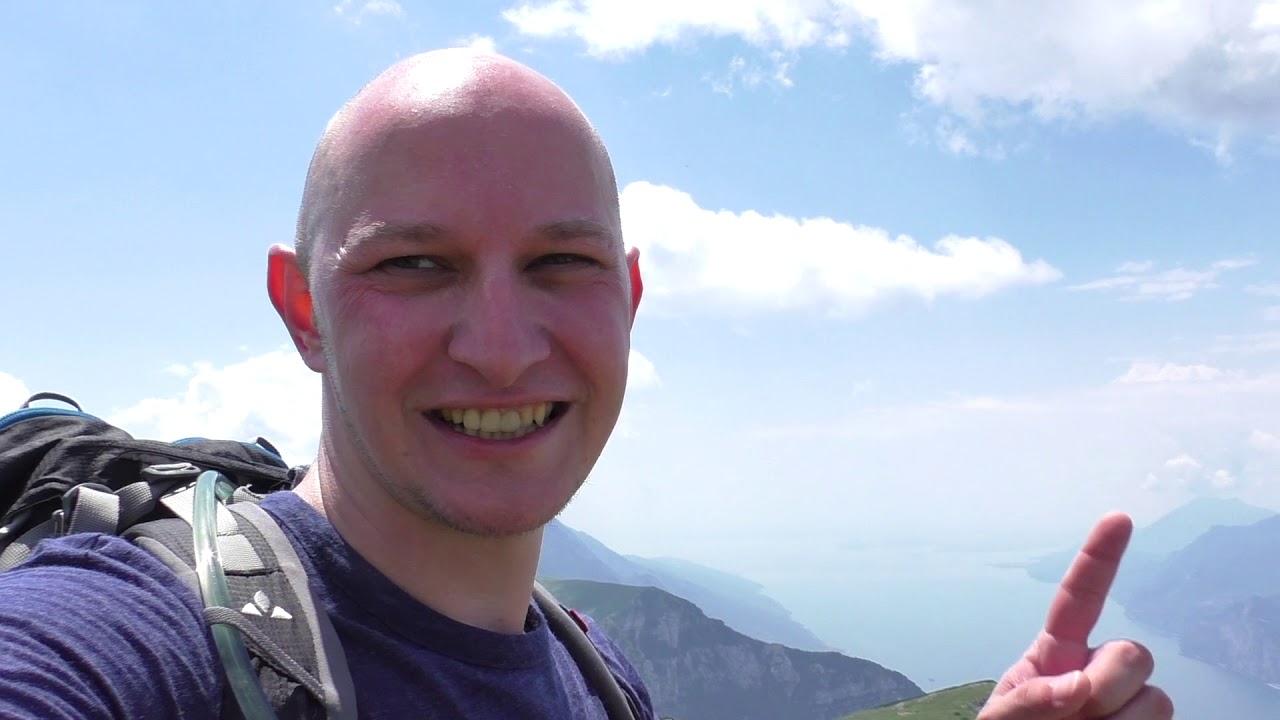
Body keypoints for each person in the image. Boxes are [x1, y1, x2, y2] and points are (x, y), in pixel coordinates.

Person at [0, 49, 1171, 720]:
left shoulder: (599, 680)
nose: (502, 349)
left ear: (628, 299)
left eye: (562, 262)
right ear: (302, 309)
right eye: (416, 264)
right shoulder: (138, 641)